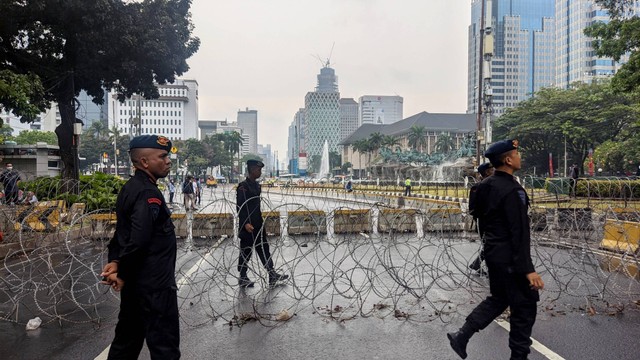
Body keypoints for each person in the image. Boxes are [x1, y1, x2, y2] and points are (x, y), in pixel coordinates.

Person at [447, 139, 544, 360]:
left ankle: (462, 335)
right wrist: (528, 269)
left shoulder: (482, 187)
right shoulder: (512, 190)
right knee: (525, 307)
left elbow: (478, 216)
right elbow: (518, 231)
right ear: (508, 160)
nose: (520, 157)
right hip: (511, 257)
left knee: (499, 298)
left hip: (493, 253)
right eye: (517, 154)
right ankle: (518, 357)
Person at [100, 135, 180, 359]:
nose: (168, 161)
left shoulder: (131, 188)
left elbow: (121, 234)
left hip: (136, 286)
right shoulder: (148, 193)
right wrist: (122, 273)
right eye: (162, 156)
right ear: (144, 162)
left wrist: (116, 262)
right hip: (154, 287)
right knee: (165, 348)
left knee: (126, 343)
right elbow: (139, 239)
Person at [236, 159, 289, 288]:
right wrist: (245, 223)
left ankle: (271, 274)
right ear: (252, 170)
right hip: (248, 226)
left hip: (258, 223)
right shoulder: (243, 186)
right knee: (246, 251)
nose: (260, 172)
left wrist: (259, 222)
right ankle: (242, 277)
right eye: (258, 170)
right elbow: (240, 207)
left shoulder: (257, 186)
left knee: (264, 249)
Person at [468, 162, 494, 275]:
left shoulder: (494, 185)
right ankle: (490, 269)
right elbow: (472, 208)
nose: (494, 171)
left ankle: (477, 264)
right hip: (484, 221)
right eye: (491, 169)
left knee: (491, 245)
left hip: (493, 221)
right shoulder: (477, 187)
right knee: (489, 244)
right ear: (487, 172)